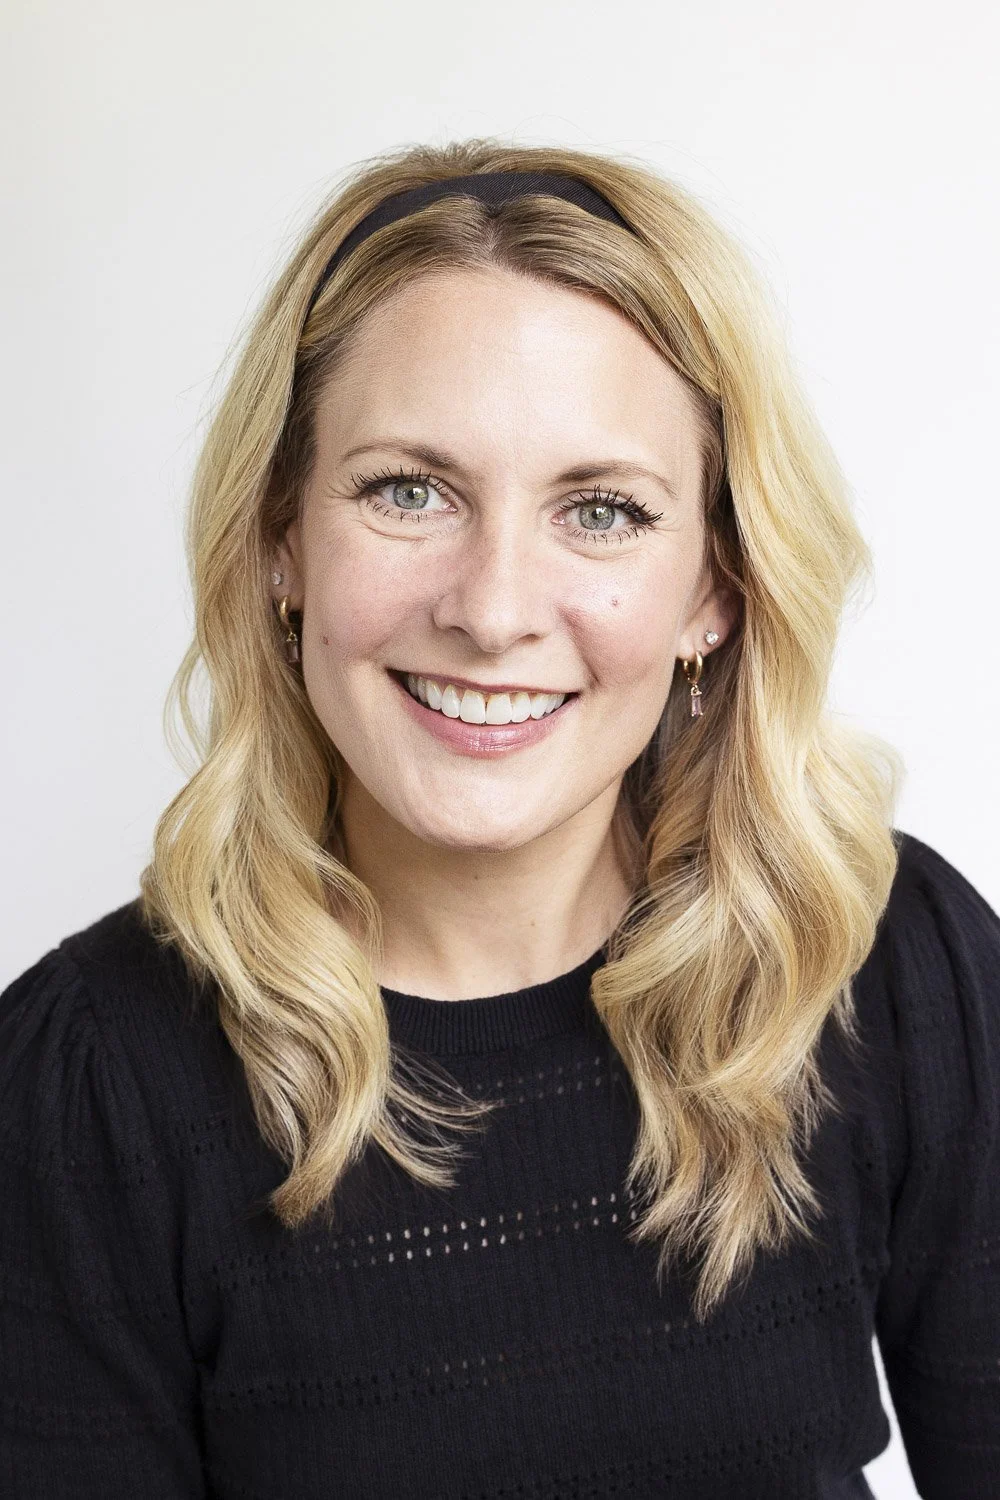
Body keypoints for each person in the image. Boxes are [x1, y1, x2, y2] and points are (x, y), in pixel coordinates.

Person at [1, 141, 997, 1500]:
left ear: (717, 583)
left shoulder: (888, 965)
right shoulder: (83, 1089)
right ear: (282, 536)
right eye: (408, 490)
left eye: (602, 511)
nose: (492, 607)